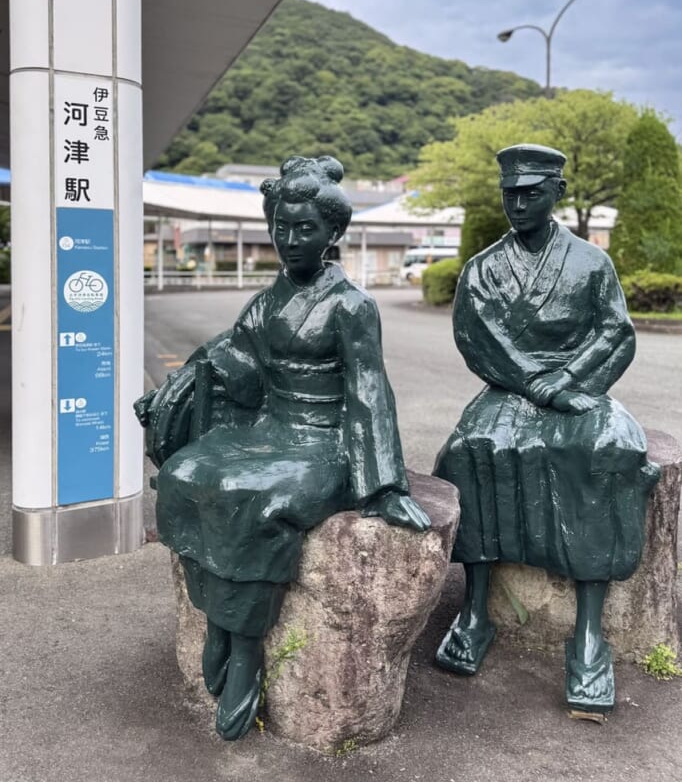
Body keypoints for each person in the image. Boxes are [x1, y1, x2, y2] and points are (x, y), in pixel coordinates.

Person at [135, 155, 429, 740]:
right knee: (187, 473)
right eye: (283, 228)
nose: (291, 241)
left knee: (252, 496)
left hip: (323, 441)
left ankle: (244, 646)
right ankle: (219, 617)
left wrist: (385, 483)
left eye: (306, 229)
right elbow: (232, 356)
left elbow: (369, 393)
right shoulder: (266, 300)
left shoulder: (351, 305)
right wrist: (195, 377)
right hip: (266, 428)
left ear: (334, 233)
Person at [433, 143, 660, 712]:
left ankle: (588, 634)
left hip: (579, 389)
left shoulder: (590, 262)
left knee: (608, 449)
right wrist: (535, 383)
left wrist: (569, 384)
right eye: (509, 192)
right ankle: (475, 607)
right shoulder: (483, 268)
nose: (517, 203)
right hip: (509, 390)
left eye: (530, 192)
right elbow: (478, 339)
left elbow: (615, 333)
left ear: (557, 192)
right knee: (469, 449)